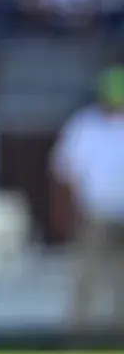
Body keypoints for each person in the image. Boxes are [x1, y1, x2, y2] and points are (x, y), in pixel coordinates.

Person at [53, 66, 124, 338]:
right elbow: (64, 172)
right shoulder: (84, 125)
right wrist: (63, 214)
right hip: (95, 214)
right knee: (86, 276)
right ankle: (77, 335)